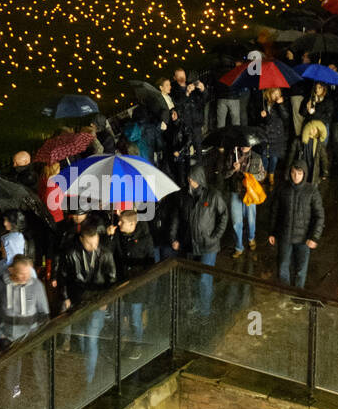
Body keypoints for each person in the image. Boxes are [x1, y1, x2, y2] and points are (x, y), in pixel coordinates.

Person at [0, 254, 51, 409]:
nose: (25, 277)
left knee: (37, 376)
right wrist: (0, 331)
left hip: (32, 338)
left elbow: (44, 313)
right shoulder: (0, 284)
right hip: (8, 339)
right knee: (8, 380)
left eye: (28, 273)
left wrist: (39, 334)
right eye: (21, 273)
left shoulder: (36, 285)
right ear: (11, 270)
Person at [56, 216, 118, 384]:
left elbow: (112, 279)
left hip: (97, 302)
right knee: (83, 336)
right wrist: (66, 297)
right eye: (90, 243)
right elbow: (62, 276)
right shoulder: (71, 253)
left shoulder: (105, 253)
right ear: (82, 239)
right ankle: (85, 370)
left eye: (95, 242)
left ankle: (88, 378)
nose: (93, 246)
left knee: (90, 338)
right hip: (78, 300)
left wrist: (106, 299)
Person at [163, 164, 229, 316]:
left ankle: (205, 310)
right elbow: (176, 218)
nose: (189, 180)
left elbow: (223, 215)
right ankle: (197, 305)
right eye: (189, 178)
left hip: (208, 246)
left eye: (192, 178)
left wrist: (215, 237)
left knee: (205, 279)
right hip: (190, 244)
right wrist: (174, 238)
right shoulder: (183, 196)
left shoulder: (213, 195)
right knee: (193, 277)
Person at [268, 158, 325, 292]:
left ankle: (298, 296)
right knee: (283, 266)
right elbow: (274, 212)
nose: (296, 176)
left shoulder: (311, 191)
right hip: (285, 236)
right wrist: (272, 232)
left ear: (304, 174)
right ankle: (285, 294)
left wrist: (314, 237)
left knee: (300, 269)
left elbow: (319, 216)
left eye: (299, 173)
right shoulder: (282, 189)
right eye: (293, 173)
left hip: (303, 239)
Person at [110, 208, 154, 353]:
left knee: (135, 318)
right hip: (121, 284)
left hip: (137, 286)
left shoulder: (145, 239)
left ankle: (137, 345)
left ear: (131, 225)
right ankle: (120, 342)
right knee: (119, 317)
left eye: (122, 221)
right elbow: (109, 253)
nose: (119, 223)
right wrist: (109, 237)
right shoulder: (116, 235)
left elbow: (150, 264)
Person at [221, 143, 266, 258]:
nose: (244, 146)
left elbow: (262, 175)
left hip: (249, 194)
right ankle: (238, 246)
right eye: (241, 144)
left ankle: (251, 238)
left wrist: (248, 176)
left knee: (251, 219)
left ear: (251, 145)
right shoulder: (232, 156)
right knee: (236, 222)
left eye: (247, 144)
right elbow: (224, 175)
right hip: (235, 192)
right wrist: (232, 169)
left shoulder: (256, 157)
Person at [258, 88, 291, 188]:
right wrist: (262, 116)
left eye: (278, 93)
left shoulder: (282, 103)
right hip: (265, 134)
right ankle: (264, 173)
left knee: (274, 157)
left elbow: (285, 117)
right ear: (269, 94)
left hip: (277, 135)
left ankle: (271, 175)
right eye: (274, 93)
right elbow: (264, 120)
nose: (276, 95)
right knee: (264, 155)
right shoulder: (264, 103)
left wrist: (280, 105)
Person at [288, 119, 329, 183]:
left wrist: (324, 172)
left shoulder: (319, 143)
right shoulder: (299, 141)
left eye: (316, 129)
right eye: (312, 128)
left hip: (313, 170)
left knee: (312, 188)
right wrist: (287, 172)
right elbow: (291, 156)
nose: (313, 131)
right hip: (301, 169)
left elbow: (323, 158)